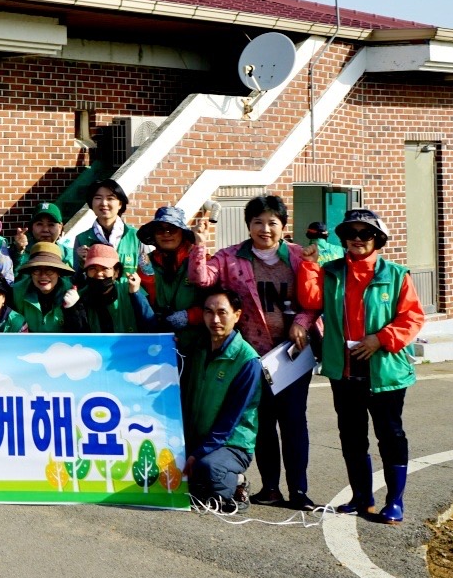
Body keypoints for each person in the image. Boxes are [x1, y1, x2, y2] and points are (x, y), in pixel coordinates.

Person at [296, 209, 424, 524]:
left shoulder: (396, 275)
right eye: (350, 234)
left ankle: (395, 502)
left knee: (390, 435)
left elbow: (413, 317)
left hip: (385, 372)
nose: (356, 239)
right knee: (352, 436)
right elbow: (311, 301)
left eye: (364, 233)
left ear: (377, 238)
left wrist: (381, 339)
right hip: (345, 371)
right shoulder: (332, 272)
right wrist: (309, 265)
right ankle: (361, 498)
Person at [190, 195, 318, 510]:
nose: (265, 229)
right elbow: (201, 278)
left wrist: (301, 322)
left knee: (293, 423)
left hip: (291, 355)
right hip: (253, 359)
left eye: (272, 222)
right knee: (261, 422)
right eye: (258, 222)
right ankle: (270, 488)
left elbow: (316, 300)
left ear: (283, 226)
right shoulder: (231, 257)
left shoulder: (301, 258)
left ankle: (299, 491)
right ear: (248, 225)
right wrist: (199, 245)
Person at [182, 286, 261, 513]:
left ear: (237, 315)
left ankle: (237, 485)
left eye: (222, 312)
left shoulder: (247, 360)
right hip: (198, 438)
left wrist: (197, 454)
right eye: (208, 312)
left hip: (231, 444)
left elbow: (229, 421)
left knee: (207, 469)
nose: (215, 319)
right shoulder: (198, 348)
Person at [136, 206, 205, 353]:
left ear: (182, 233)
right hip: (159, 343)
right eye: (160, 229)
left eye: (172, 229)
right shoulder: (146, 263)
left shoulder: (200, 260)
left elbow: (214, 302)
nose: (166, 234)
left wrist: (189, 316)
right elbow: (145, 302)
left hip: (196, 345)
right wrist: (147, 277)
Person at [71, 178, 150, 281]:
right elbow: (76, 281)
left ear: (120, 204)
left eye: (110, 198)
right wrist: (82, 265)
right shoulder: (82, 239)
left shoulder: (136, 237)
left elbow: (148, 274)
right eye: (98, 198)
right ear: (91, 203)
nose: (104, 203)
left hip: (127, 296)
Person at [11, 242, 87, 332]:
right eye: (36, 270)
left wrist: (73, 309)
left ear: (59, 273)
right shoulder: (16, 292)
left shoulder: (71, 292)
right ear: (30, 272)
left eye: (50, 270)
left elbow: (80, 333)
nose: (43, 276)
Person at [77, 243, 153, 332]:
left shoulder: (130, 287)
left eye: (105, 268)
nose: (99, 274)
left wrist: (136, 294)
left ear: (116, 272)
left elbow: (151, 323)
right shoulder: (81, 296)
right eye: (93, 268)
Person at [9, 203, 65, 267]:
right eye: (39, 224)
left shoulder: (69, 255)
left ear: (60, 227)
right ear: (32, 227)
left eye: (51, 224)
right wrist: (18, 252)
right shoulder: (18, 251)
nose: (45, 229)